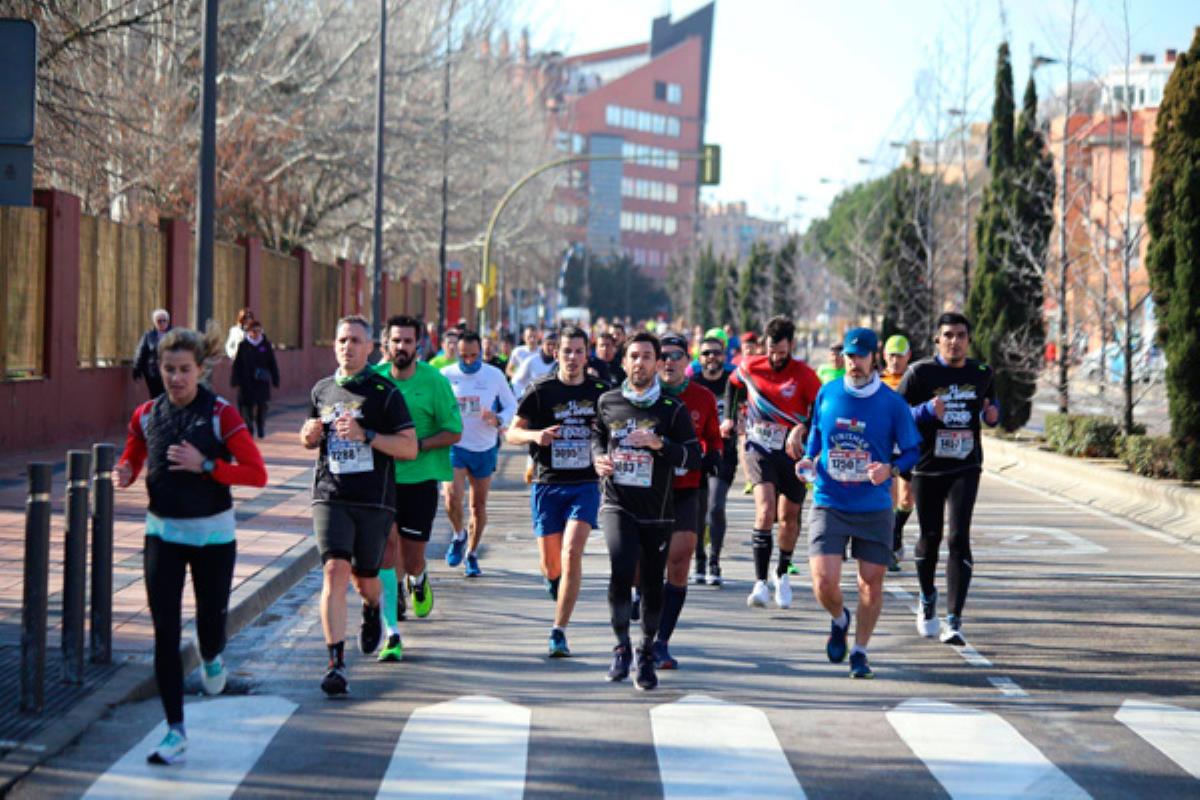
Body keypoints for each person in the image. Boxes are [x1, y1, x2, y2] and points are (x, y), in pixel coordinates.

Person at [116, 323, 267, 764]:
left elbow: (256, 473)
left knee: (209, 626)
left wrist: (207, 465)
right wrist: (126, 469)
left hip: (214, 536)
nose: (176, 378)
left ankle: (213, 655)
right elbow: (135, 449)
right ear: (158, 370)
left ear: (201, 370)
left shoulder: (221, 414)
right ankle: (174, 730)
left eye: (184, 369)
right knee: (165, 633)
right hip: (162, 532)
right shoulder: (146, 414)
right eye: (168, 369)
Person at [790, 327, 921, 679]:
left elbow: (913, 450)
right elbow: (816, 434)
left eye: (861, 356)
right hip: (829, 499)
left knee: (871, 582)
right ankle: (839, 619)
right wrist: (809, 458)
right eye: (850, 356)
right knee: (823, 581)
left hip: (873, 505)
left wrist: (890, 469)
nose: (854, 363)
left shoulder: (892, 404)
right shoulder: (828, 393)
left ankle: (860, 651)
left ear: (874, 358)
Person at [301, 316, 418, 695]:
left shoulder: (385, 393)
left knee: (365, 580)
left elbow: (409, 447)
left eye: (355, 340)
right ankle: (335, 662)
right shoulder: (321, 391)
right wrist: (308, 434)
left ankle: (371, 608)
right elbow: (310, 436)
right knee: (334, 569)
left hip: (373, 500)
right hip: (330, 494)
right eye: (341, 340)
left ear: (370, 348)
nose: (347, 347)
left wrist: (366, 434)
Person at [593, 332, 700, 690]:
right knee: (621, 567)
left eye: (647, 357)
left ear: (657, 363)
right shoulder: (607, 401)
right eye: (633, 356)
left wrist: (660, 444)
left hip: (657, 510)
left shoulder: (672, 410)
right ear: (624, 363)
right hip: (617, 502)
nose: (640, 363)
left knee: (654, 584)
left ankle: (645, 651)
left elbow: (692, 456)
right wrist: (598, 458)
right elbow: (597, 435)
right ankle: (621, 647)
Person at [506, 326, 608, 657]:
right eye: (567, 351)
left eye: (579, 351)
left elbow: (615, 430)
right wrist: (536, 436)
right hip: (548, 484)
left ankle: (558, 630)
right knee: (552, 566)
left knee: (571, 552)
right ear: (556, 353)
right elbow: (512, 434)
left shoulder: (601, 392)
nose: (573, 358)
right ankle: (556, 584)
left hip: (585, 484)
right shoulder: (541, 390)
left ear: (587, 354)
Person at [898, 312, 999, 646]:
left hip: (965, 466)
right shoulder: (920, 373)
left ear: (969, 339)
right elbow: (894, 416)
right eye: (948, 335)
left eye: (960, 335)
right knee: (930, 537)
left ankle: (954, 619)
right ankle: (928, 599)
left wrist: (992, 413)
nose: (954, 341)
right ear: (937, 340)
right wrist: (925, 411)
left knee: (959, 537)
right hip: (927, 468)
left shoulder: (981, 372)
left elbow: (990, 404)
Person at [372, 315, 463, 661]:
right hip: (381, 480)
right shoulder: (375, 380)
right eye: (396, 341)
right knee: (387, 549)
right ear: (386, 345)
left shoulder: (434, 381)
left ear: (418, 346)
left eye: (408, 342)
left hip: (421, 479)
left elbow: (454, 431)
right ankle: (392, 631)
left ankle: (418, 577)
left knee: (410, 558)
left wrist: (416, 445)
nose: (402, 348)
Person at [723, 316, 822, 611]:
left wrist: (802, 427)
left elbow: (820, 410)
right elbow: (732, 385)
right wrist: (729, 416)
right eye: (771, 351)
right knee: (765, 509)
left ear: (791, 345)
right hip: (758, 446)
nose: (775, 357)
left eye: (781, 351)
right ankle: (759, 582)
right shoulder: (752, 364)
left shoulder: (803, 374)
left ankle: (782, 573)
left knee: (788, 516)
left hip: (792, 451)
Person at [652, 334, 722, 670]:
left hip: (687, 487)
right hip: (646, 491)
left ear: (687, 360)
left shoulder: (703, 397)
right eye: (662, 355)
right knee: (642, 568)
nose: (669, 362)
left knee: (679, 561)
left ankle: (661, 642)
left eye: (676, 355)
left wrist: (714, 456)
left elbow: (712, 438)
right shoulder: (642, 395)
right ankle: (640, 599)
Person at [440, 331, 517, 577]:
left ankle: (472, 553)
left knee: (478, 505)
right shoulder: (446, 375)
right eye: (464, 356)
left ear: (481, 353)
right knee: (451, 498)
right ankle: (458, 535)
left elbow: (511, 404)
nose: (469, 361)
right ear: (456, 353)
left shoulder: (494, 375)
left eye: (474, 356)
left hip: (484, 446)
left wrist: (498, 418)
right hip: (455, 444)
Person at [690, 335, 738, 585]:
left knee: (715, 507)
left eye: (716, 353)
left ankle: (714, 562)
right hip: (696, 454)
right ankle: (699, 558)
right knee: (698, 510)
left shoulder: (733, 384)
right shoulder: (692, 384)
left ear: (724, 356)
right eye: (706, 353)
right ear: (699, 359)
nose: (712, 357)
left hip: (724, 454)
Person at [881, 334, 914, 572]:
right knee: (891, 496)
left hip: (910, 446)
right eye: (891, 355)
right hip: (886, 445)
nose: (895, 360)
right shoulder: (878, 381)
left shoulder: (916, 380)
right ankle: (891, 546)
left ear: (908, 357)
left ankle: (897, 531)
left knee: (907, 498)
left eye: (899, 356)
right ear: (884, 356)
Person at [230, 320, 280, 439]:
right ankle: (249, 428)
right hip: (246, 382)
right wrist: (235, 380)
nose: (256, 333)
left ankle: (260, 425)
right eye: (253, 331)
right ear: (248, 332)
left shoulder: (265, 345)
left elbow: (272, 363)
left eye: (258, 331)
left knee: (262, 406)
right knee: (246, 408)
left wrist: (275, 378)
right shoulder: (243, 345)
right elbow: (237, 364)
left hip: (261, 382)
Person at [133, 309, 172, 399]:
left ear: (168, 321)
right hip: (153, 373)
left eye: (164, 320)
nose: (162, 323)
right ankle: (157, 412)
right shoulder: (149, 335)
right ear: (154, 322)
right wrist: (137, 369)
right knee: (156, 397)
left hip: (170, 371)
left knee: (168, 396)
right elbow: (141, 352)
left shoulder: (174, 334)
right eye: (159, 321)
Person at [511, 328, 558, 398]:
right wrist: (522, 398)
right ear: (542, 344)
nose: (551, 347)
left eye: (554, 344)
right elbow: (516, 381)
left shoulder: (561, 363)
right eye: (548, 344)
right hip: (536, 402)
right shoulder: (531, 361)